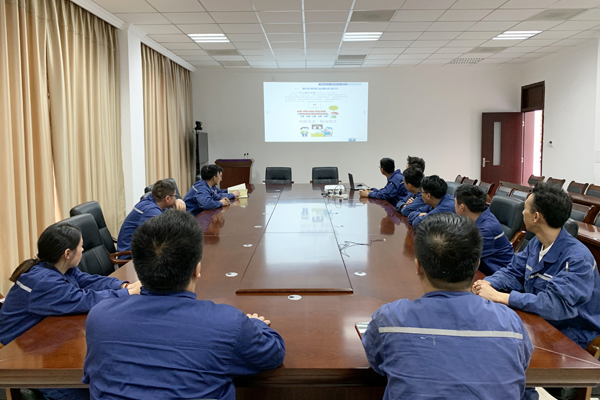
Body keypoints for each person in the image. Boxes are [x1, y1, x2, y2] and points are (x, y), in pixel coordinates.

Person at [83, 210, 285, 400]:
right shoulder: (228, 324)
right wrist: (256, 325)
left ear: (138, 267)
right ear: (197, 269)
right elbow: (273, 354)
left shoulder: (100, 318)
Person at [362, 213, 533, 400]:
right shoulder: (511, 324)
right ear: (477, 264)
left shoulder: (389, 320)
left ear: (418, 266)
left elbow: (377, 364)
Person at [0, 223, 141, 400]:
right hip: (21, 356)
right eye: (81, 246)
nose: (83, 249)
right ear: (67, 254)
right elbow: (83, 299)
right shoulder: (43, 282)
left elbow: (88, 281)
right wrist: (127, 294)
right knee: (88, 391)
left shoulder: (57, 268)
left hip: (44, 339)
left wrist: (123, 286)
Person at [473, 183, 600, 351]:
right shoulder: (537, 242)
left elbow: (554, 305)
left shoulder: (577, 259)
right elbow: (513, 271)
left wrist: (501, 297)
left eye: (525, 208)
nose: (522, 212)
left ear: (536, 217)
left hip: (571, 333)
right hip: (537, 319)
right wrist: (489, 283)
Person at [455, 184, 514, 275]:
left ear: (462, 207)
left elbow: (460, 256)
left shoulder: (486, 230)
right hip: (482, 268)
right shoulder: (478, 216)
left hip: (497, 274)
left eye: (455, 203)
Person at [117, 179, 183, 256]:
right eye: (175, 196)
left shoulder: (151, 200)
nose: (175, 198)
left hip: (137, 249)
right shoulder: (151, 211)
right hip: (130, 255)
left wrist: (178, 201)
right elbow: (161, 237)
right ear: (167, 198)